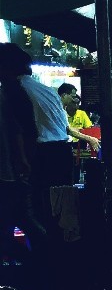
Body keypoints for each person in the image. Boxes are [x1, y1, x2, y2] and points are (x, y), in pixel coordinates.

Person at [0, 44, 73, 253]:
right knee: (55, 214)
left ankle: (44, 261)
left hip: (41, 155)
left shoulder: (14, 89)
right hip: (61, 153)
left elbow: (24, 130)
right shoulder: (46, 89)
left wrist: (24, 163)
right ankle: (56, 257)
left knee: (32, 214)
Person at [58, 84, 99, 158]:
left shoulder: (60, 110)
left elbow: (88, 129)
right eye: (72, 97)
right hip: (60, 146)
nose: (73, 100)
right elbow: (68, 130)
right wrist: (90, 139)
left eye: (78, 103)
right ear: (64, 95)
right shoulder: (59, 111)